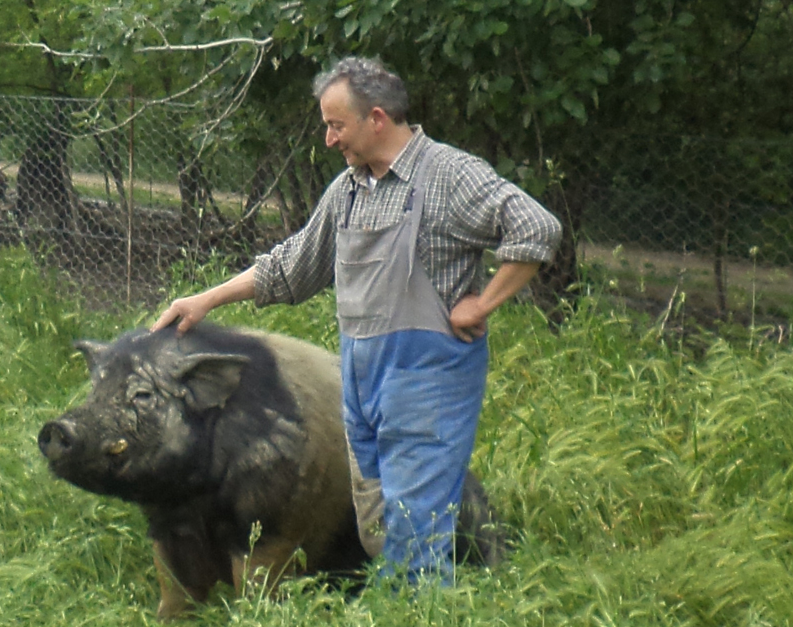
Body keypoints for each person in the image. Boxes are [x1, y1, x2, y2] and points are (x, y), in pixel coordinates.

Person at [151, 56, 562, 583]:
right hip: (361, 378)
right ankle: (421, 596)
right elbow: (293, 264)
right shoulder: (349, 189)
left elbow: (537, 228)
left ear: (377, 118)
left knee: (416, 522)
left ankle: (421, 611)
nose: (328, 139)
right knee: (379, 522)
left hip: (426, 380)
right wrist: (207, 300)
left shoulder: (449, 174)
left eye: (335, 125)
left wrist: (483, 304)